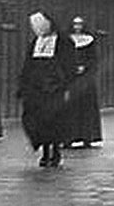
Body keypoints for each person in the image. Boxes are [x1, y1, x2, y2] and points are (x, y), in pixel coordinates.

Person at [18, 11, 74, 167]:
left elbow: (69, 66)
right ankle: (45, 151)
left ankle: (55, 151)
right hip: (36, 88)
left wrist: (67, 86)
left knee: (55, 120)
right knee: (38, 120)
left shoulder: (63, 41)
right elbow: (27, 65)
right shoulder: (35, 42)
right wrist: (23, 85)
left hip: (55, 87)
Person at [65, 16, 103, 148]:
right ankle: (68, 138)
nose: (77, 27)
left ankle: (88, 137)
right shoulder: (66, 40)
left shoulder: (90, 40)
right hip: (70, 78)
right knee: (70, 107)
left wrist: (85, 67)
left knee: (87, 107)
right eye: (75, 24)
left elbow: (94, 59)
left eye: (80, 24)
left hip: (86, 79)